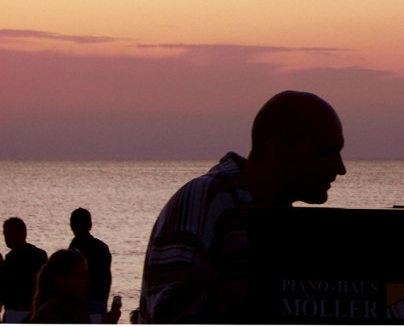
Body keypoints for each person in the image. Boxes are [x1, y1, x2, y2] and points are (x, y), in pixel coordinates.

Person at [138, 90, 346, 323]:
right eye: (325, 153)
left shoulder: (276, 216)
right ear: (278, 152)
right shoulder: (209, 199)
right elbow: (168, 314)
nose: (340, 168)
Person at [30, 249, 121, 324]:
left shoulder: (77, 307)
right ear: (61, 279)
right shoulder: (52, 314)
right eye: (80, 276)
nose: (87, 280)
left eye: (86, 275)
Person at [0, 218, 47, 323]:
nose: (7, 237)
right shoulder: (8, 259)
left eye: (11, 233)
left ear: (23, 233)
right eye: (5, 234)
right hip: (12, 313)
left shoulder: (37, 256)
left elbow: (43, 284)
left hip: (30, 312)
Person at [68, 209, 112, 321]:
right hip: (100, 299)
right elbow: (107, 277)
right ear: (90, 225)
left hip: (81, 302)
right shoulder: (102, 247)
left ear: (71, 226)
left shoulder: (74, 249)